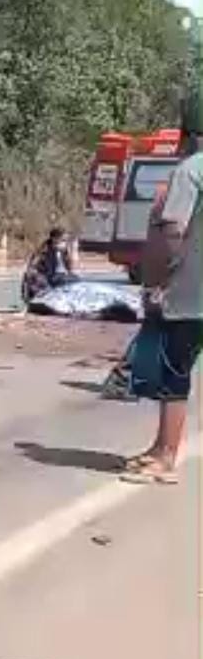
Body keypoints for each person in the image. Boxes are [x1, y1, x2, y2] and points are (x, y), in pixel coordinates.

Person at [125, 138, 202, 483]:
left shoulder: (191, 170)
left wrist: (156, 281)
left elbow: (172, 232)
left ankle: (166, 456)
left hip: (192, 294)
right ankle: (160, 446)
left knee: (174, 372)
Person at [21, 227, 77, 303]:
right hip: (49, 276)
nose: (65, 242)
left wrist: (70, 253)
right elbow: (33, 265)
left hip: (62, 276)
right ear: (54, 239)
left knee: (77, 281)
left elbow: (70, 268)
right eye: (63, 239)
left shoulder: (64, 251)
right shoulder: (44, 249)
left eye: (65, 240)